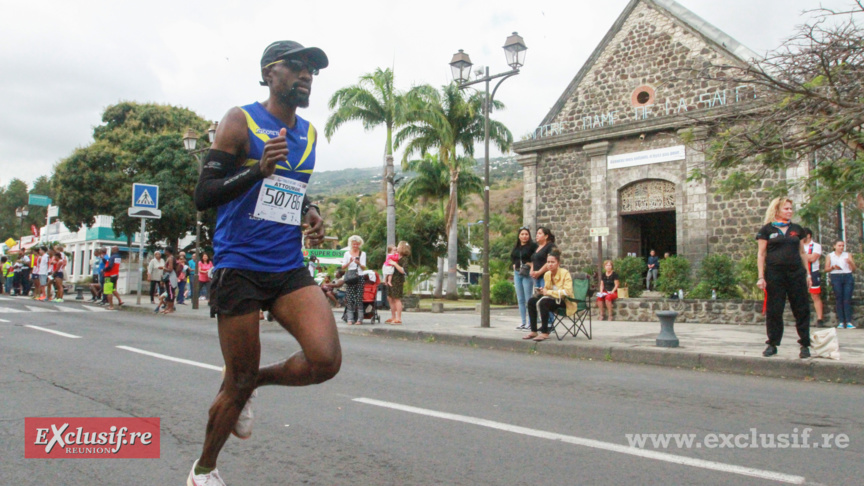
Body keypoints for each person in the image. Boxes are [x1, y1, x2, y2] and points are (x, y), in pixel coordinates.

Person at [187, 40, 338, 486]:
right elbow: (204, 195)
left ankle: (252, 382)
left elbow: (291, 189)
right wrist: (256, 169)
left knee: (325, 360)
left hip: (287, 265)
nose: (307, 74)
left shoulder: (309, 134)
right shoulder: (240, 120)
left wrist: (308, 211)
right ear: (270, 73)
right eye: (296, 66)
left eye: (312, 68)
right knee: (235, 380)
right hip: (240, 266)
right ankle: (203, 470)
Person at [756, 196, 811, 358]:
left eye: (790, 209)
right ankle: (772, 344)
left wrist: (807, 274)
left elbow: (802, 252)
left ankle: (805, 345)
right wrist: (761, 277)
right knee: (774, 310)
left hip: (796, 274)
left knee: (801, 309)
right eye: (786, 208)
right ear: (777, 210)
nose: (789, 211)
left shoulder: (797, 229)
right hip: (775, 275)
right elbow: (761, 254)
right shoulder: (767, 230)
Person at [522, 249, 574, 342]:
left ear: (558, 263)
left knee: (544, 302)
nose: (550, 264)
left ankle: (545, 332)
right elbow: (547, 289)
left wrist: (548, 292)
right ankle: (533, 330)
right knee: (531, 301)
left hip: (564, 301)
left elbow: (567, 292)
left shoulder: (565, 273)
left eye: (552, 262)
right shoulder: (547, 274)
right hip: (551, 299)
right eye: (548, 262)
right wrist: (542, 291)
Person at [510, 227, 538, 331]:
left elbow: (536, 258)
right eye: (522, 234)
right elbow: (512, 257)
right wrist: (514, 265)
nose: (524, 236)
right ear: (519, 236)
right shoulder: (516, 247)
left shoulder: (533, 246)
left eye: (526, 234)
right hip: (517, 272)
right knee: (520, 299)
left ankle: (531, 323)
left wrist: (531, 266)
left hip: (527, 273)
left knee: (528, 299)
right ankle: (523, 321)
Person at [826, 240, 856, 329]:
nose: (841, 247)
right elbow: (826, 269)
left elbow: (853, 269)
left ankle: (849, 321)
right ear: (834, 246)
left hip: (847, 276)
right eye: (839, 246)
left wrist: (850, 262)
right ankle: (841, 321)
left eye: (842, 246)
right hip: (836, 276)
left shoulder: (847, 255)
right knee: (839, 298)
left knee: (847, 298)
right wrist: (832, 267)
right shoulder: (830, 256)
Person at [800, 229, 824, 327]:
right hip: (801, 272)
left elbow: (813, 258)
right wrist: (806, 256)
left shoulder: (816, 246)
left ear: (808, 235)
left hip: (813, 272)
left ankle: (820, 319)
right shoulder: (799, 246)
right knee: (800, 295)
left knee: (815, 295)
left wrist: (803, 256)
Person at [341, 235, 367, 325]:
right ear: (351, 244)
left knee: (359, 298)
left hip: (359, 276)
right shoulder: (346, 254)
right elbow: (343, 267)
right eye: (354, 244)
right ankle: (350, 318)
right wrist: (350, 261)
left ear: (359, 244)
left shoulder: (362, 254)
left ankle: (360, 319)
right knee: (350, 298)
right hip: (350, 276)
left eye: (357, 244)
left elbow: (364, 267)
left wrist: (358, 263)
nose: (355, 246)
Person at [385, 241, 409, 324]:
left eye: (398, 246)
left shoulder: (404, 259)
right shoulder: (394, 256)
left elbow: (404, 271)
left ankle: (398, 318)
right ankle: (393, 317)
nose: (396, 248)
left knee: (396, 298)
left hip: (398, 280)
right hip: (391, 279)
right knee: (390, 297)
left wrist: (395, 264)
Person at [103, 246, 124, 310]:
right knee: (113, 289)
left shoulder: (112, 257)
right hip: (115, 274)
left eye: (112, 249)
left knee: (108, 291)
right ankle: (120, 300)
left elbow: (110, 266)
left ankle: (111, 306)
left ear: (115, 250)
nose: (111, 250)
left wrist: (104, 269)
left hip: (109, 275)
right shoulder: (118, 257)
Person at [159, 247, 178, 314]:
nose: (164, 251)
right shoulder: (169, 258)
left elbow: (170, 269)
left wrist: (163, 268)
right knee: (169, 292)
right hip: (168, 277)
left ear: (167, 251)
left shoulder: (170, 258)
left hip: (170, 278)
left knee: (170, 293)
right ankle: (168, 307)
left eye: (164, 250)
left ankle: (171, 308)